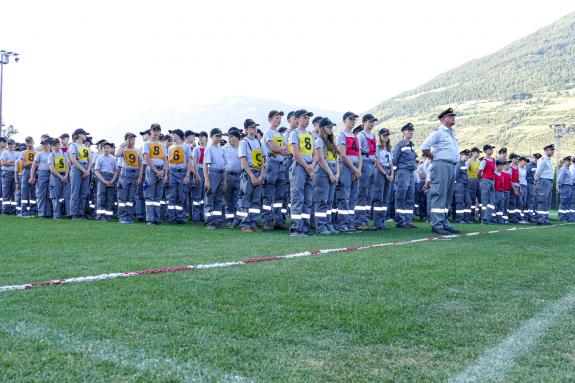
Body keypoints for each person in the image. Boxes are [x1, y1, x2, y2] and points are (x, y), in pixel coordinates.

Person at [421, 108, 461, 235]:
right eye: (450, 116)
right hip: (441, 164)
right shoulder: (439, 132)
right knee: (439, 194)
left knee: (447, 196)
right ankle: (437, 223)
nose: (453, 117)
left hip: (451, 165)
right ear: (443, 119)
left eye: (453, 115)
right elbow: (424, 147)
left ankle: (444, 222)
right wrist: (435, 158)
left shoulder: (451, 132)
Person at [289, 109, 316, 236]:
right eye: (304, 117)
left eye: (308, 118)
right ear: (298, 119)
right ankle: (295, 228)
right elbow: (295, 153)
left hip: (309, 167)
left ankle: (304, 227)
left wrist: (312, 166)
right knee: (297, 197)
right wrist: (307, 167)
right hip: (300, 167)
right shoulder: (294, 133)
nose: (307, 120)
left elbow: (315, 152)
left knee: (308, 200)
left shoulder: (310, 134)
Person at [262, 110, 288, 231]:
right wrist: (281, 148)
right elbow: (273, 148)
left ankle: (278, 220)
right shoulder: (268, 133)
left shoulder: (279, 134)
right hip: (272, 165)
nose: (278, 120)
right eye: (276, 117)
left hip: (281, 164)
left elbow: (285, 150)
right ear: (270, 119)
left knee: (279, 196)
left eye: (279, 118)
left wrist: (281, 149)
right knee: (268, 195)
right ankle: (267, 221)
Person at [336, 111, 362, 233]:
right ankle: (342, 224)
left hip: (355, 168)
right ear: (345, 120)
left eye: (354, 119)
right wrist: (355, 169)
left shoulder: (355, 137)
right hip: (346, 168)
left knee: (352, 198)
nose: (353, 121)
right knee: (344, 197)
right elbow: (343, 155)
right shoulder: (341, 135)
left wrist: (359, 169)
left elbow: (359, 154)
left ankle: (350, 223)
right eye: (350, 119)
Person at [238, 119, 265, 233]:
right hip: (249, 172)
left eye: (255, 127)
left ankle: (253, 222)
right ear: (246, 129)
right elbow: (243, 159)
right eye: (252, 127)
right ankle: (245, 223)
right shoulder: (244, 142)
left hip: (258, 172)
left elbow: (263, 159)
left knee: (256, 200)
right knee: (246, 198)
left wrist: (261, 175)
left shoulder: (259, 142)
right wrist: (252, 176)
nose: (254, 129)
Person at [313, 118, 339, 235]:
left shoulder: (332, 142)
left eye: (332, 127)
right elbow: (320, 159)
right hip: (323, 173)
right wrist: (330, 173)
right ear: (322, 128)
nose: (331, 129)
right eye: (328, 127)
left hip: (333, 171)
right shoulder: (319, 140)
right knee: (322, 201)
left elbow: (336, 158)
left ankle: (328, 225)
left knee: (329, 201)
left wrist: (337, 173)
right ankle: (321, 226)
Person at [391, 123, 418, 228]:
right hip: (403, 172)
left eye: (411, 130)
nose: (410, 132)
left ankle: (408, 220)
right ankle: (401, 221)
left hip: (411, 172)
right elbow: (394, 160)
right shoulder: (400, 145)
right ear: (403, 132)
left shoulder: (412, 145)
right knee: (401, 196)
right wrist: (395, 174)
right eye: (408, 130)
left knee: (410, 197)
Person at [355, 114, 378, 230]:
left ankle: (365, 220)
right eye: (370, 121)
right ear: (364, 122)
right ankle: (359, 221)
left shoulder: (373, 136)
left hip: (373, 164)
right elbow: (357, 150)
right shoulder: (361, 135)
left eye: (373, 121)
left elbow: (376, 152)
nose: (372, 123)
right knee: (362, 193)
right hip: (365, 163)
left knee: (370, 195)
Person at [142, 123, 167, 225]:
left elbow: (166, 159)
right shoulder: (147, 144)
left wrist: (163, 171)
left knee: (158, 196)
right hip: (152, 171)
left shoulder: (163, 145)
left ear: (160, 132)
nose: (156, 132)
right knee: (149, 195)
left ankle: (156, 218)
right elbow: (147, 158)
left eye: (158, 130)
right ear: (151, 131)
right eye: (154, 130)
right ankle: (150, 219)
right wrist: (156, 171)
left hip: (161, 170)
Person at [116, 132, 143, 224]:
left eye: (133, 139)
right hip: (125, 174)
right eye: (130, 139)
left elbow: (140, 164)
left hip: (134, 174)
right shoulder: (123, 149)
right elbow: (117, 154)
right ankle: (123, 217)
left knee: (131, 198)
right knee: (123, 197)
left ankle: (129, 216)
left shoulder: (137, 150)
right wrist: (123, 145)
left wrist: (140, 176)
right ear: (126, 140)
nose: (132, 141)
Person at [166, 129, 191, 224]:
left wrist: (187, 175)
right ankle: (171, 217)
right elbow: (168, 162)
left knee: (181, 196)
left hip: (182, 173)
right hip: (172, 173)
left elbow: (189, 161)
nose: (172, 136)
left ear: (178, 135)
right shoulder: (171, 147)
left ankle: (179, 217)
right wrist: (166, 175)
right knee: (171, 196)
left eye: (173, 134)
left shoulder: (186, 147)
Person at [203, 128, 227, 229]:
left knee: (218, 199)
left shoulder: (221, 149)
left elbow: (225, 165)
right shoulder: (209, 149)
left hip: (221, 174)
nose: (219, 138)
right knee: (209, 198)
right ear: (211, 137)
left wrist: (225, 180)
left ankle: (216, 220)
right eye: (217, 136)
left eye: (220, 136)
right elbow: (205, 165)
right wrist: (207, 180)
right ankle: (209, 222)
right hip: (213, 173)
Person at [372, 128, 394, 230]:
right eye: (384, 135)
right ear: (380, 136)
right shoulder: (377, 147)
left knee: (386, 198)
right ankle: (377, 221)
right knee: (379, 198)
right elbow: (377, 163)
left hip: (389, 172)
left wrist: (392, 174)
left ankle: (382, 220)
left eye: (387, 135)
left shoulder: (389, 148)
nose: (386, 136)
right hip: (380, 172)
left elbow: (391, 163)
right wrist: (386, 174)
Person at [69, 129, 92, 218]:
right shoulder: (73, 146)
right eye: (84, 134)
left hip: (86, 168)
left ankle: (81, 213)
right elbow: (73, 160)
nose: (85, 136)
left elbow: (90, 160)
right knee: (75, 192)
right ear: (78, 135)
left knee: (84, 193)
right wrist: (84, 170)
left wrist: (88, 170)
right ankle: (74, 213)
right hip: (77, 169)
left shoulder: (85, 146)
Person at [223, 128, 242, 227]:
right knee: (228, 200)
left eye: (231, 137)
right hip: (228, 176)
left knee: (239, 200)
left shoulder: (243, 147)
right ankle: (230, 219)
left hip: (240, 176)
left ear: (238, 138)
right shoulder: (224, 148)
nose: (229, 139)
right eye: (228, 137)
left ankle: (238, 219)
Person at [94, 142, 118, 221]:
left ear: (110, 149)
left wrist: (113, 180)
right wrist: (104, 181)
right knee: (101, 197)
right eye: (105, 148)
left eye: (108, 148)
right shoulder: (99, 158)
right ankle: (100, 216)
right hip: (102, 178)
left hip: (111, 179)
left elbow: (116, 170)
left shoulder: (113, 159)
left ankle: (108, 216)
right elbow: (97, 171)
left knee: (110, 198)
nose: (106, 149)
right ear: (101, 149)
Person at [47, 138, 70, 219]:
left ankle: (69, 214)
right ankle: (57, 215)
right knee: (55, 196)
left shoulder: (63, 154)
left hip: (64, 175)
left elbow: (67, 166)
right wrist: (61, 177)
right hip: (55, 176)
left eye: (58, 144)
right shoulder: (51, 155)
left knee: (67, 195)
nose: (57, 146)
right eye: (55, 145)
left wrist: (66, 175)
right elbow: (51, 167)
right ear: (52, 146)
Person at [30, 138, 53, 218]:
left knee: (50, 194)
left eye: (46, 144)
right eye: (43, 144)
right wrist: (31, 176)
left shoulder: (53, 153)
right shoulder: (39, 154)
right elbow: (33, 166)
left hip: (52, 174)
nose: (44, 146)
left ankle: (48, 213)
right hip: (42, 173)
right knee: (41, 194)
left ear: (50, 145)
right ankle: (41, 213)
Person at [534, 144, 555, 225]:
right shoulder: (543, 159)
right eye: (551, 149)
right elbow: (538, 171)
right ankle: (540, 219)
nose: (553, 151)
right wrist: (536, 180)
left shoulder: (548, 160)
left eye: (553, 149)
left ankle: (545, 218)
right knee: (542, 200)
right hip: (543, 181)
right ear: (546, 150)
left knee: (547, 201)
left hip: (548, 181)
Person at [477, 144, 497, 224]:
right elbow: (479, 171)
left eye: (492, 149)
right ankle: (483, 219)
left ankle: (486, 218)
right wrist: (481, 179)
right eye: (490, 149)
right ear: (485, 151)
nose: (491, 150)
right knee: (484, 201)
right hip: (485, 181)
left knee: (492, 202)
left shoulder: (494, 160)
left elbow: (494, 171)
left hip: (491, 181)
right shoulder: (484, 161)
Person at [191, 131, 208, 222]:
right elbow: (194, 163)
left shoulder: (209, 148)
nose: (200, 138)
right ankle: (196, 217)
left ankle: (203, 216)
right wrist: (197, 175)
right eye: (199, 137)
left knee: (204, 196)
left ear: (206, 138)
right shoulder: (196, 149)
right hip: (199, 171)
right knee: (197, 196)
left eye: (202, 137)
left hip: (208, 172)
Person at [20, 137, 37, 216]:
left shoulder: (37, 152)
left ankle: (33, 210)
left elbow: (38, 164)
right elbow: (23, 165)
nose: (29, 143)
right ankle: (24, 211)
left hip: (34, 172)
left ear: (33, 142)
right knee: (24, 192)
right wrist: (33, 163)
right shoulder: (23, 152)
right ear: (25, 143)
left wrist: (29, 163)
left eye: (30, 141)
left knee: (33, 192)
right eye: (27, 142)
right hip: (26, 172)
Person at [454, 149, 473, 223]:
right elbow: (456, 175)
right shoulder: (459, 163)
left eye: (468, 155)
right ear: (461, 155)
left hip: (464, 186)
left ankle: (467, 219)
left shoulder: (464, 164)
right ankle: (459, 219)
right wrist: (457, 183)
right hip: (459, 185)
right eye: (466, 155)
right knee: (460, 202)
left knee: (469, 202)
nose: (467, 156)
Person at [0, 139, 18, 214]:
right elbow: (3, 163)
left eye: (11, 144)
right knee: (6, 193)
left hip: (15, 174)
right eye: (9, 144)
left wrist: (9, 162)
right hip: (6, 173)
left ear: (14, 145)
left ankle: (13, 211)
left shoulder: (17, 154)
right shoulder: (4, 153)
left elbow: (19, 163)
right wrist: (13, 163)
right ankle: (6, 210)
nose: (10, 145)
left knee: (14, 193)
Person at [467, 147, 482, 220]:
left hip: (478, 180)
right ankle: (471, 216)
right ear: (473, 153)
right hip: (471, 181)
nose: (479, 154)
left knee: (480, 199)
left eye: (479, 152)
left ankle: (481, 216)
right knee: (472, 199)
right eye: (477, 152)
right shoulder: (469, 161)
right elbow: (466, 172)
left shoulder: (479, 162)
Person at [525, 153, 540, 223]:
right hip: (530, 184)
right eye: (535, 158)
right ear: (533, 158)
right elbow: (526, 176)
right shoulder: (529, 166)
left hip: (537, 185)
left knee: (535, 201)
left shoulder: (539, 166)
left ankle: (534, 215)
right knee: (530, 201)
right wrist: (532, 180)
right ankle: (529, 216)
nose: (536, 159)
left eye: (538, 158)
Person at [556, 156, 572, 222]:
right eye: (568, 161)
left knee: (568, 203)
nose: (569, 162)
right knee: (563, 202)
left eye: (570, 161)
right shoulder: (563, 169)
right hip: (564, 187)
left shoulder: (567, 169)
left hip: (569, 187)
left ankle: (566, 217)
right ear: (565, 161)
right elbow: (559, 179)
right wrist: (558, 187)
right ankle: (562, 218)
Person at [493, 160, 507, 224]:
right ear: (497, 166)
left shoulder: (501, 174)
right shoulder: (494, 174)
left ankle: (499, 218)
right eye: (501, 166)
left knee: (501, 206)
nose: (502, 167)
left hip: (501, 192)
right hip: (496, 192)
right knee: (495, 205)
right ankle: (493, 218)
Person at [517, 156, 529, 224]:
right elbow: (517, 179)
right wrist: (519, 187)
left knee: (524, 203)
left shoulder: (524, 169)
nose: (525, 163)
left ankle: (522, 218)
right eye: (524, 161)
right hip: (520, 186)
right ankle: (519, 218)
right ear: (521, 161)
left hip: (525, 186)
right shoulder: (517, 168)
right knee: (520, 203)